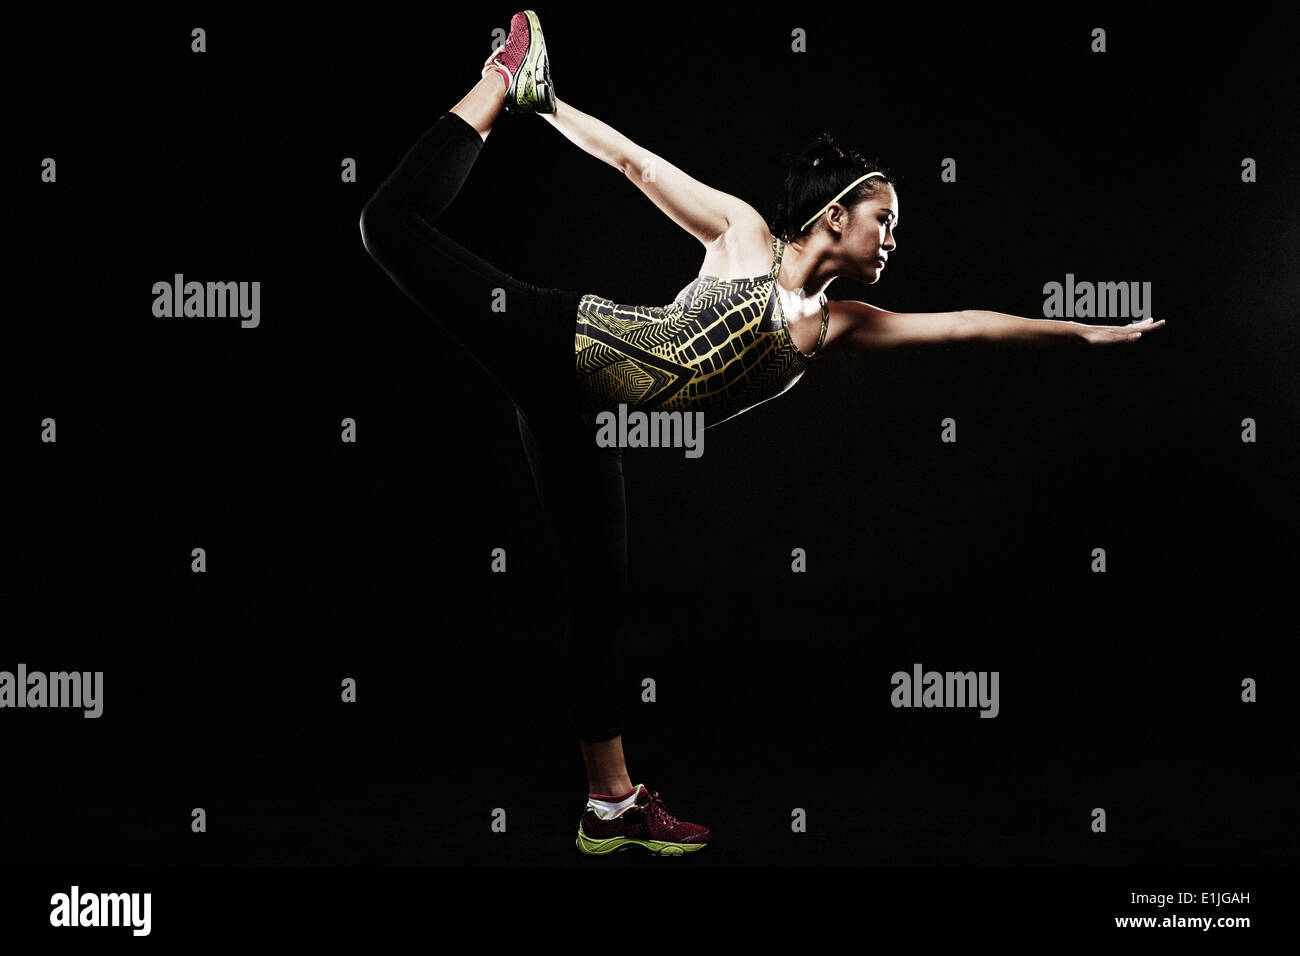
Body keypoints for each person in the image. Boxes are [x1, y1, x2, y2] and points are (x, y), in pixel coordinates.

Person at [359, 10, 1166, 858]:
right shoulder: (743, 237)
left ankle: (612, 805)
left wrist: (1075, 331)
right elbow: (637, 165)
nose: (893, 237)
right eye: (883, 218)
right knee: (388, 227)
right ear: (833, 215)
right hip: (563, 343)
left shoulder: (836, 327)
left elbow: (962, 325)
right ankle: (500, 79)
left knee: (600, 603)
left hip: (588, 427)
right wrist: (545, 102)